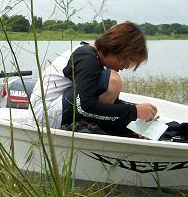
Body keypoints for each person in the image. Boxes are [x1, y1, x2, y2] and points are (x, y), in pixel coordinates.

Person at [29, 21, 157, 136]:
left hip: (55, 110)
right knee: (112, 80)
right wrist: (134, 112)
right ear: (118, 48)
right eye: (129, 60)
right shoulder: (87, 58)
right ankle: (90, 129)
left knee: (109, 83)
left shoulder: (91, 55)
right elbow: (84, 107)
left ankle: (102, 129)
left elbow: (91, 100)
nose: (127, 66)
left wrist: (138, 110)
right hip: (44, 118)